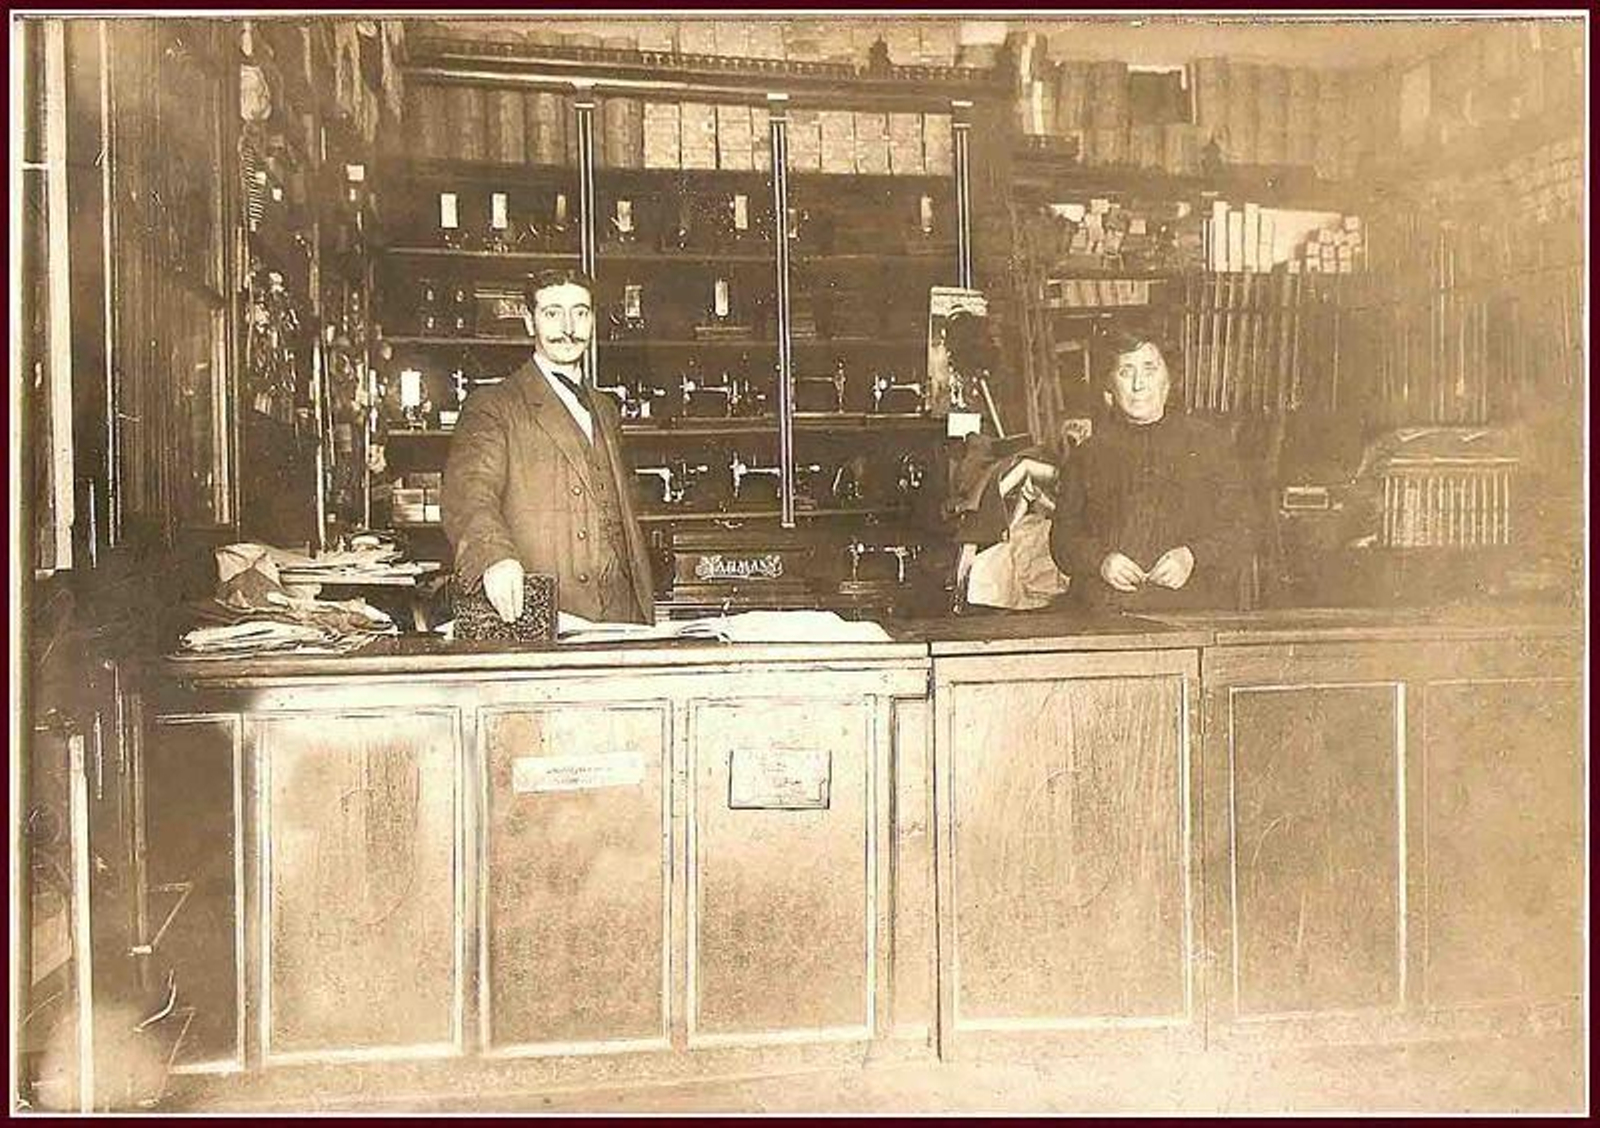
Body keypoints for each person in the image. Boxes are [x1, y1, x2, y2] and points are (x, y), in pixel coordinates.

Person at [442, 268, 655, 624]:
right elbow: (469, 494)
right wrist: (493, 557)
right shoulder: (494, 404)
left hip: (623, 614)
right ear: (530, 321)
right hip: (548, 611)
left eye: (580, 313)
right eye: (552, 313)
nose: (568, 328)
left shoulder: (605, 407)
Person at [1049, 328, 1254, 612]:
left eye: (1149, 370)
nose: (1138, 384)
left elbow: (1243, 530)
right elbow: (1062, 539)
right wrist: (1100, 562)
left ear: (1168, 378)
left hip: (1191, 611)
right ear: (1109, 385)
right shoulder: (1088, 455)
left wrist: (1192, 557)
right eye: (1125, 372)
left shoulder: (1209, 445)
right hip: (1105, 612)